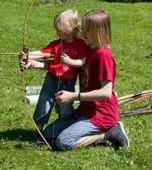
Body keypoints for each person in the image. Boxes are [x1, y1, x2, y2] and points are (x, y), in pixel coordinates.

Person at [41, 9, 130, 150]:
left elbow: (106, 93)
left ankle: (110, 132)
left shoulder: (104, 56)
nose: (82, 32)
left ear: (98, 31)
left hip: (102, 114)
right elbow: (58, 62)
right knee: (48, 133)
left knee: (63, 142)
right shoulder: (86, 48)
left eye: (87, 29)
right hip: (85, 110)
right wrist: (31, 63)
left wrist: (73, 96)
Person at [20, 9, 87, 144]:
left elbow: (84, 61)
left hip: (68, 84)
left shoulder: (80, 44)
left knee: (65, 110)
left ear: (72, 27)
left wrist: (70, 62)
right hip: (51, 80)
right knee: (43, 106)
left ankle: (65, 126)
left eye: (60, 28)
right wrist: (28, 56)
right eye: (57, 28)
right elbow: (42, 53)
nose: (58, 31)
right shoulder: (56, 44)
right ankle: (38, 132)